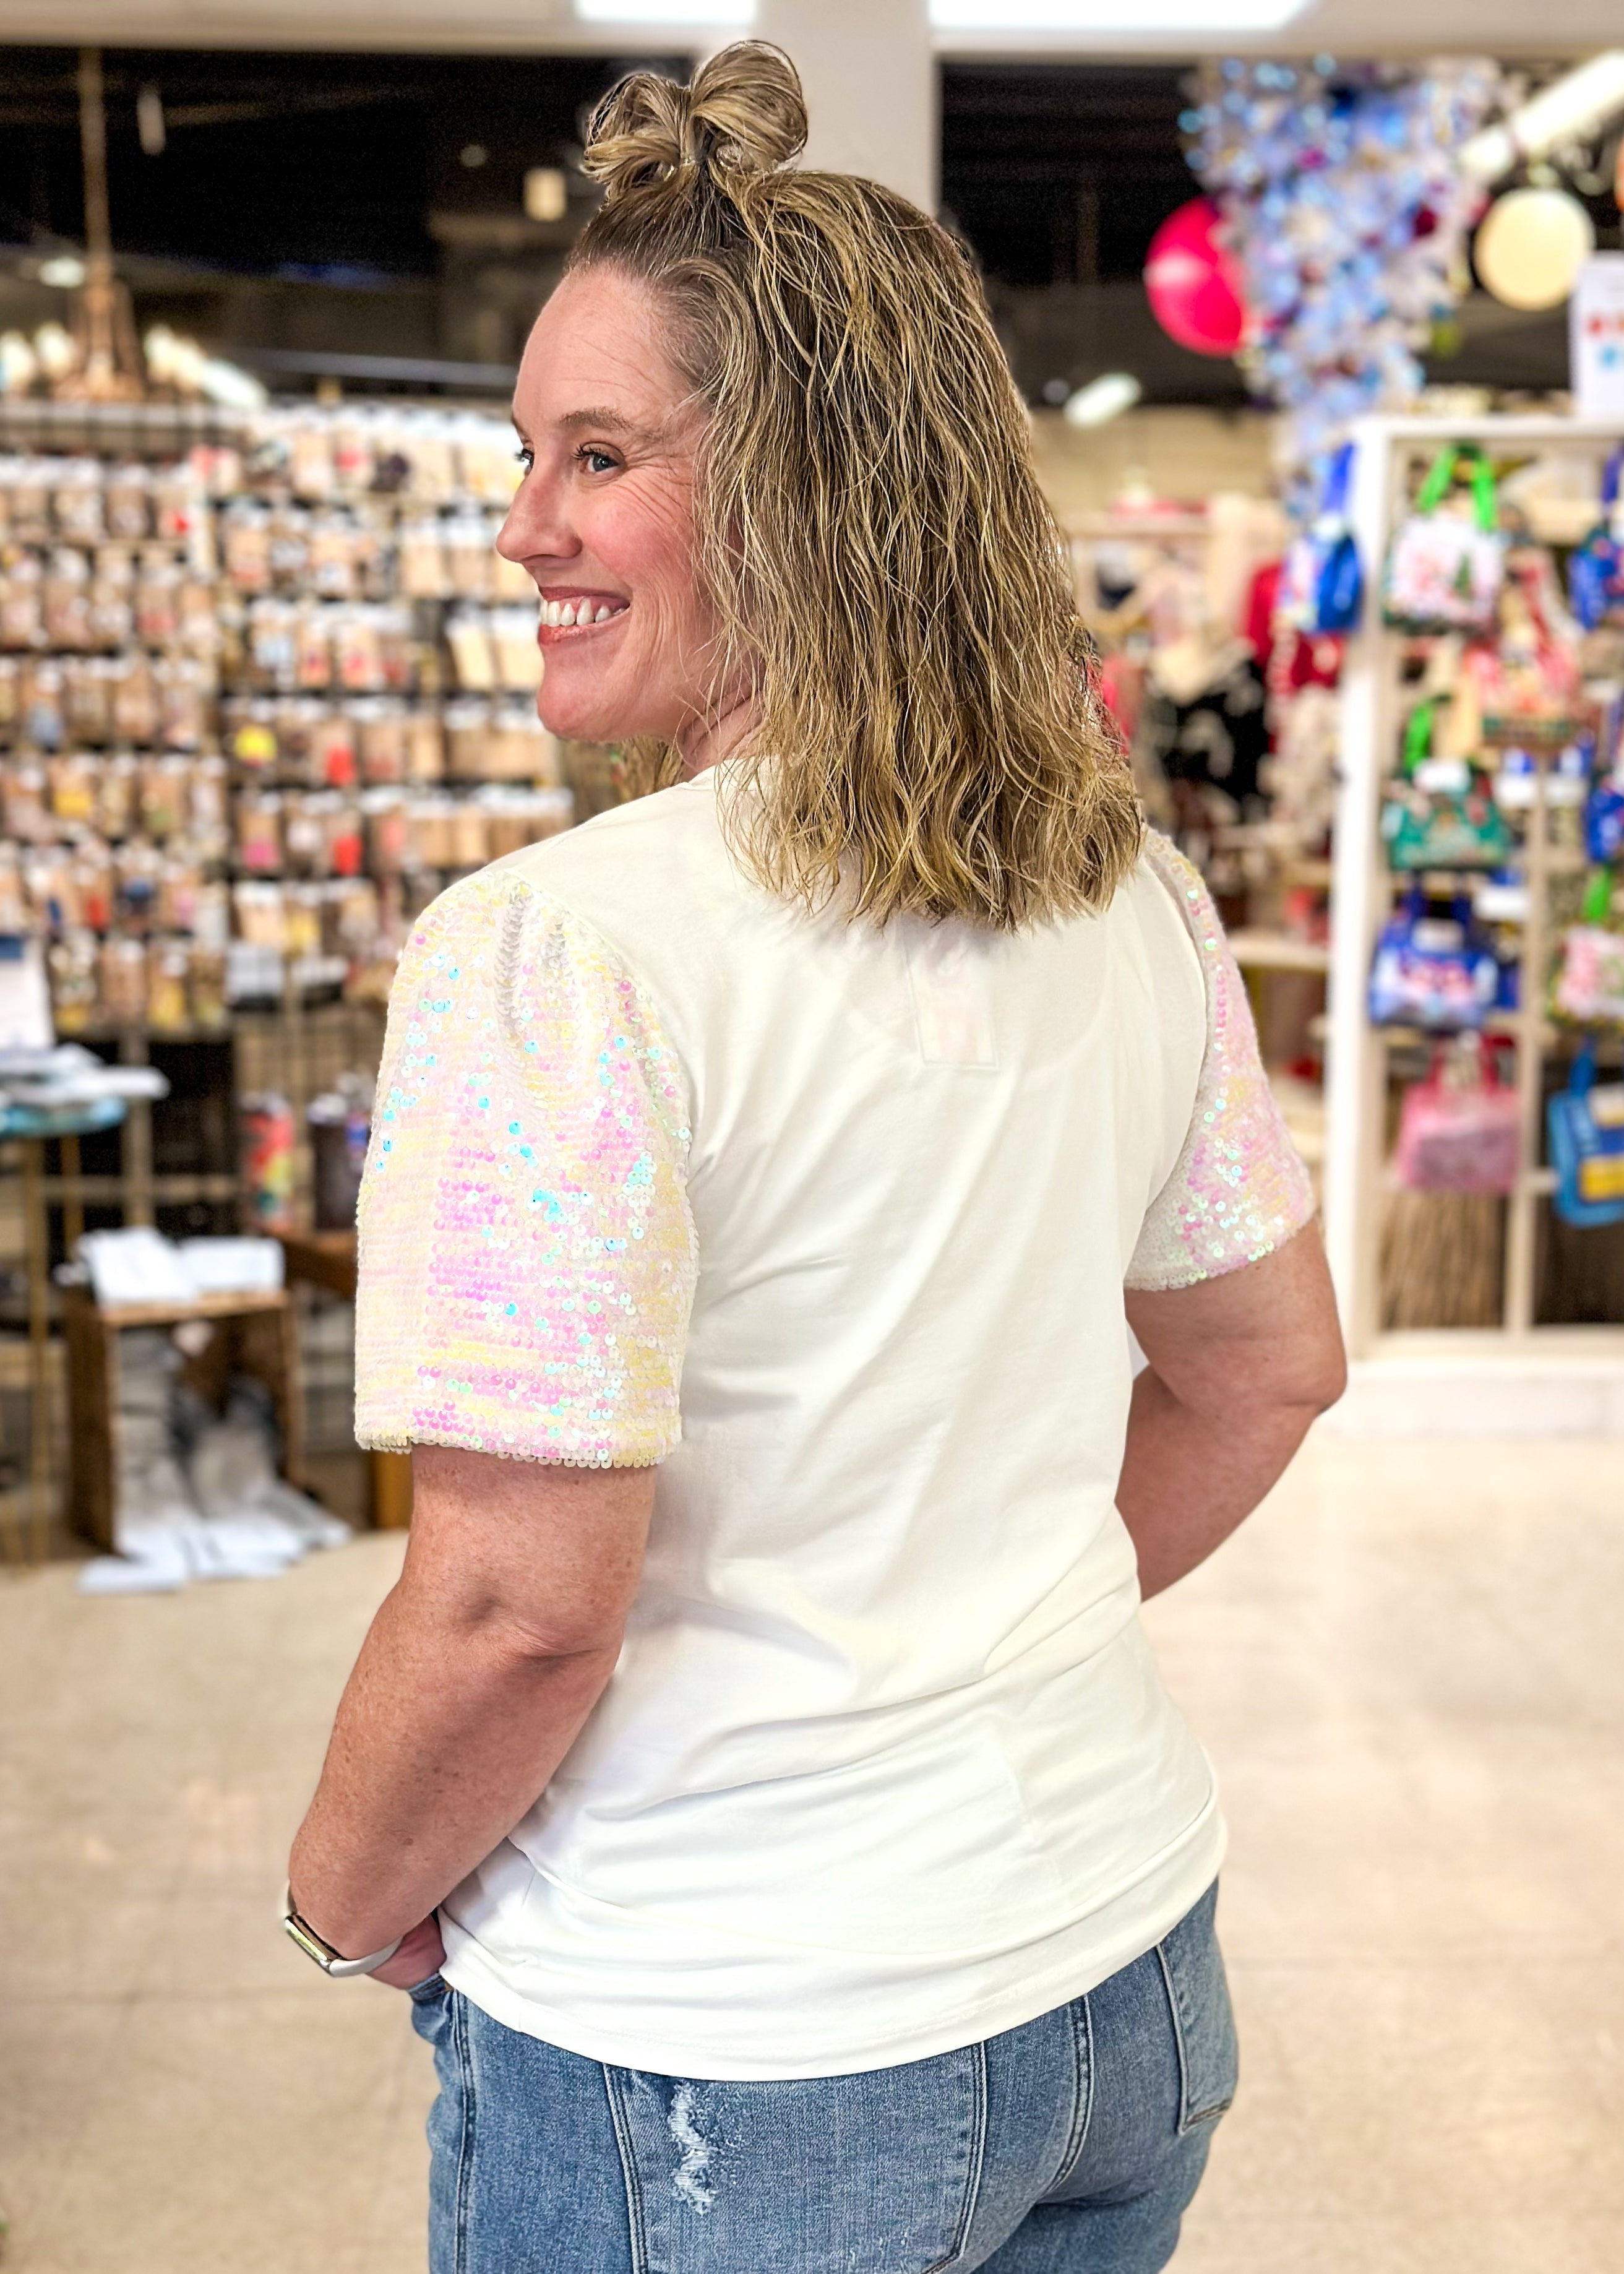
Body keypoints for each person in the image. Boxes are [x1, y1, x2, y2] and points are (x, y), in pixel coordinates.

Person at [286, 43, 1345, 2273]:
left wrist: (341, 1896)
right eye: (524, 457)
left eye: (596, 458)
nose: (522, 527)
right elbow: (1264, 1367)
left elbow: (508, 1607)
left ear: (793, 486)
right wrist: (955, 1651)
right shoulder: (1122, 893)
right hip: (1118, 1966)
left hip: (732, 2045)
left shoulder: (559, 953)